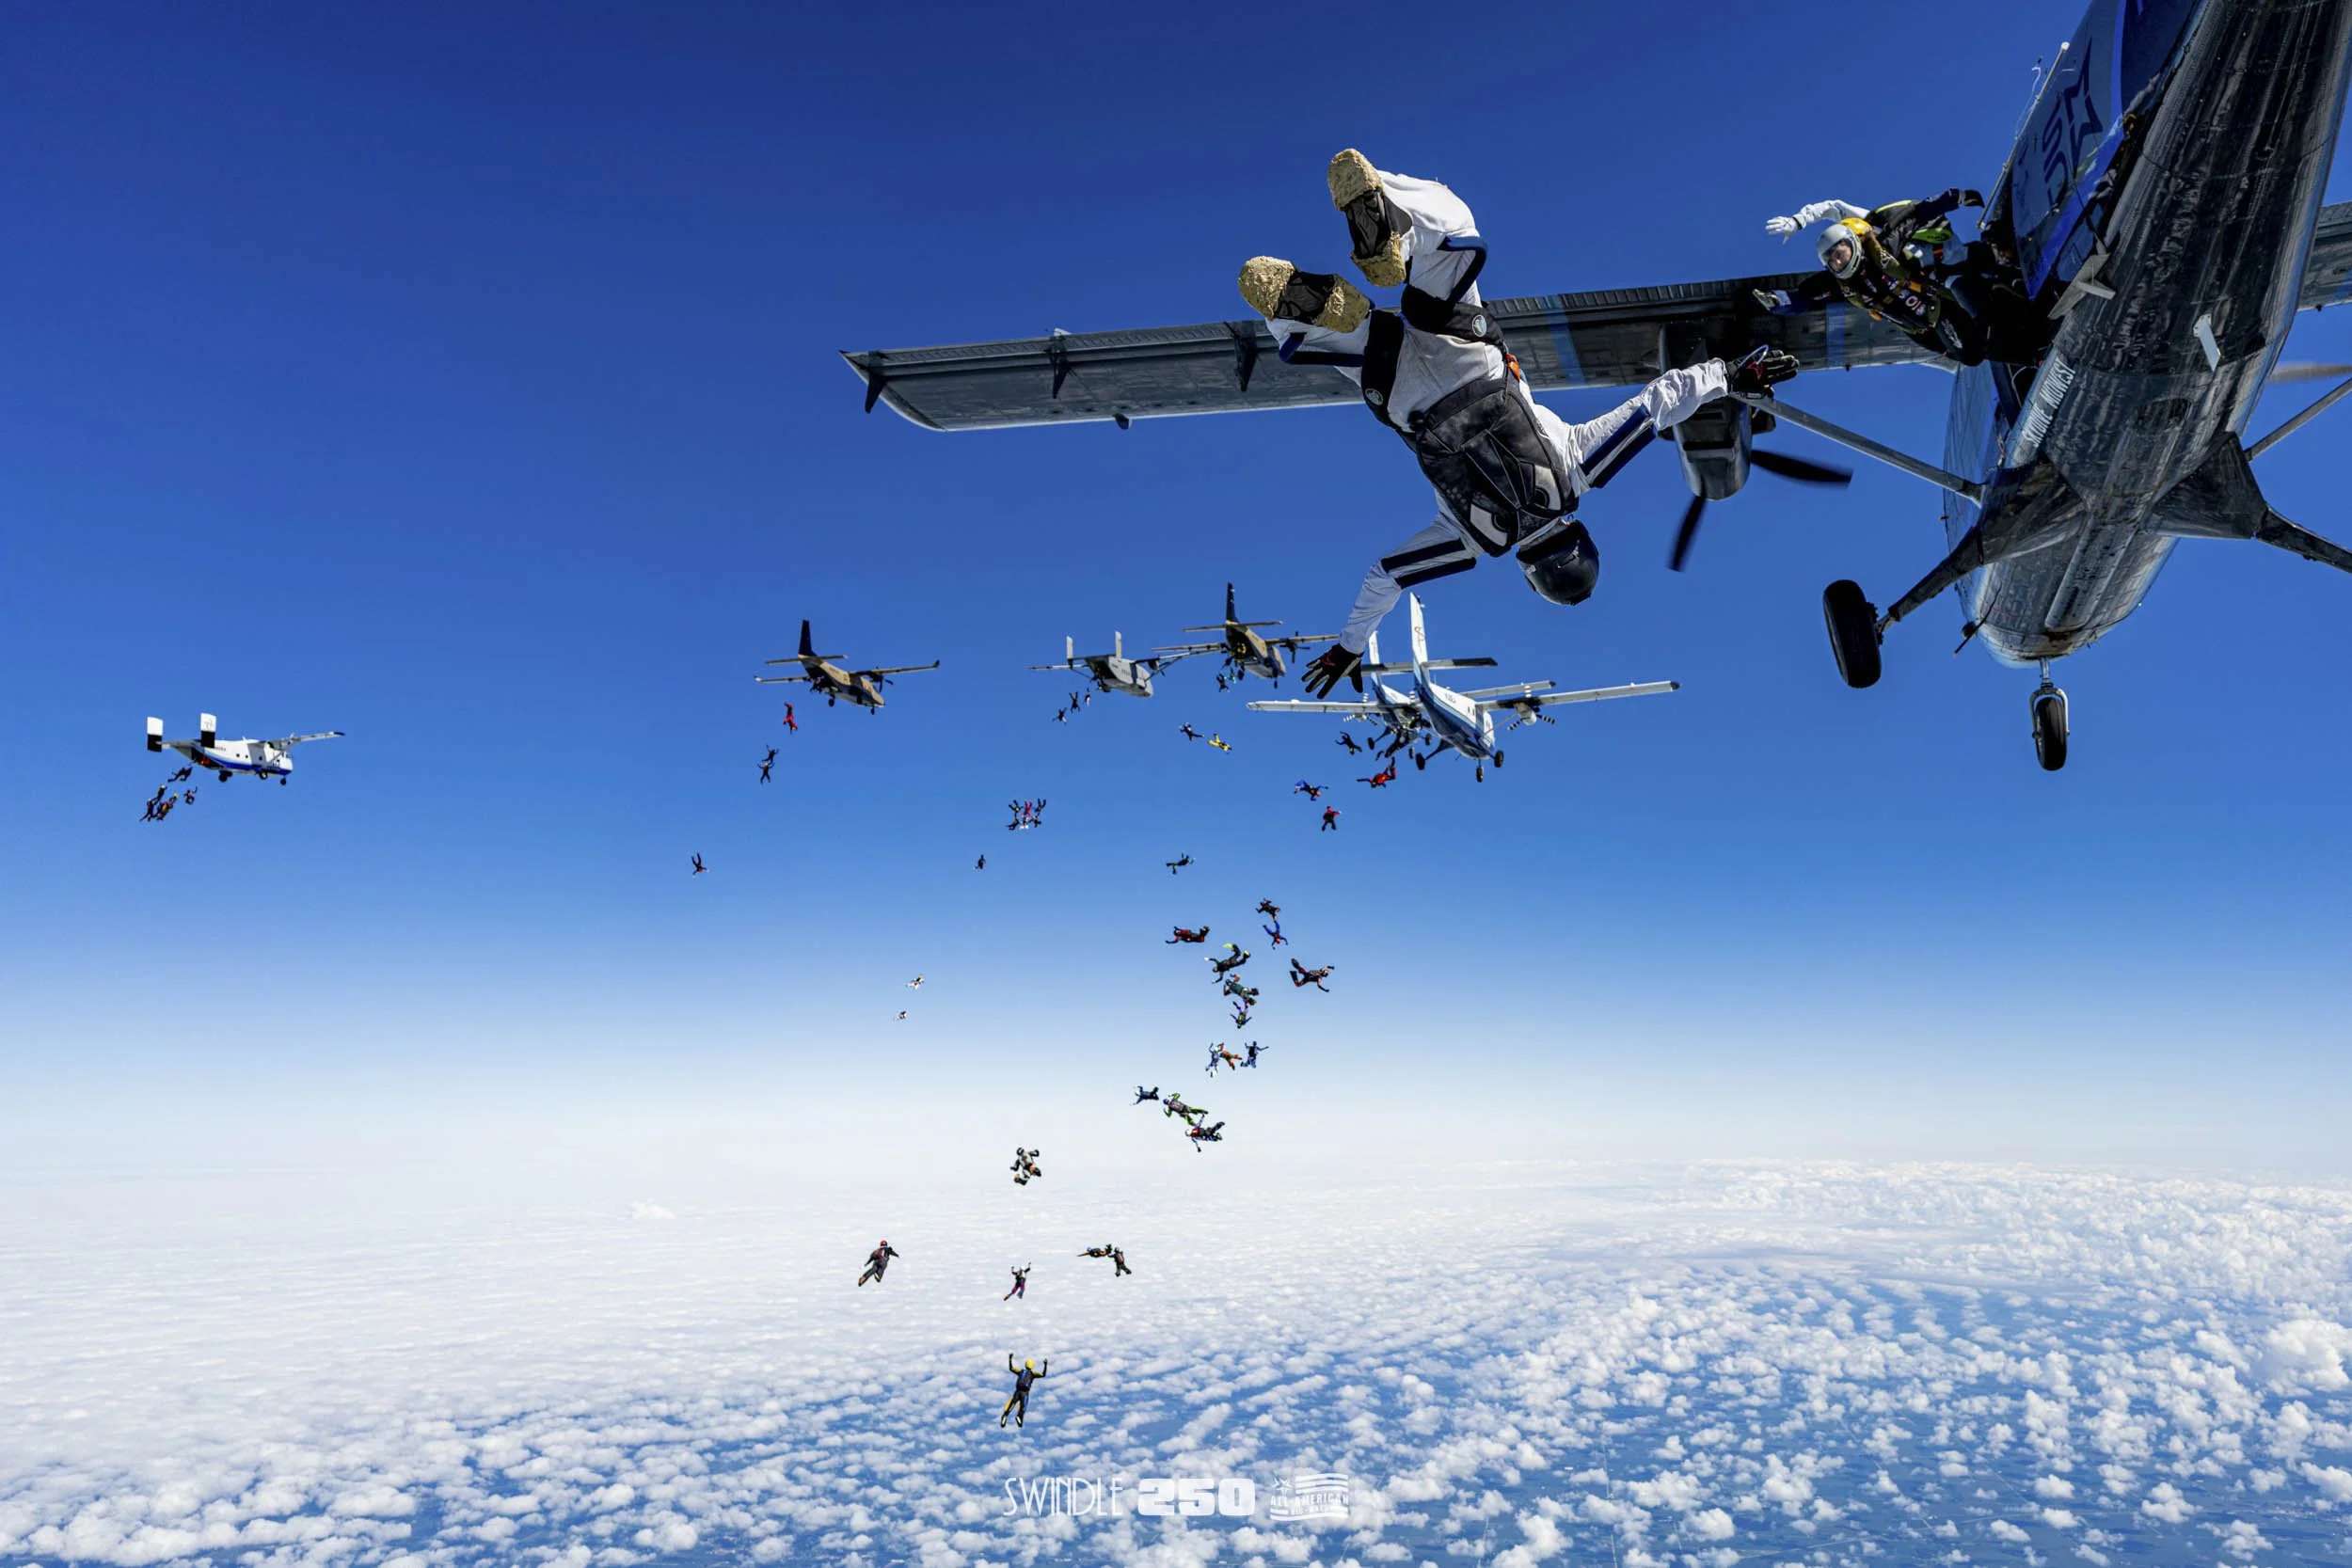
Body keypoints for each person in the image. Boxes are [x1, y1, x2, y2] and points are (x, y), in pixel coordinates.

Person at [1238, 151, 1795, 698]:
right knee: (1313, 341)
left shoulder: (1579, 471)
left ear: (1582, 536)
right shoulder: (1473, 542)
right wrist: (1349, 646)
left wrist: (1729, 374)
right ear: (1530, 573)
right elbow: (1385, 576)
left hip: (1470, 358)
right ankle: (1304, 310)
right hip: (1402, 393)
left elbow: (1658, 403)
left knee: (1454, 228)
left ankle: (1388, 222)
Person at [1754, 190, 2044, 368]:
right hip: (1920, 329)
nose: (1837, 262)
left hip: (1938, 302)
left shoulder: (1885, 242)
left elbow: (1916, 213)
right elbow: (1804, 297)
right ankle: (2031, 351)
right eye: (1831, 261)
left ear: (1852, 243)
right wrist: (1777, 301)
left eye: (1839, 254)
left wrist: (1954, 197)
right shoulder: (1843, 283)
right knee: (1970, 356)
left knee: (1981, 327)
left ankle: (2027, 333)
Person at [1002, 1355, 1048, 1428]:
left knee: (1015, 1405)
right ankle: (1014, 1416)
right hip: (1023, 1392)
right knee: (1020, 1406)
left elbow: (1011, 1368)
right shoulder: (1030, 1373)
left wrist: (1010, 1359)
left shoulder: (1024, 1372)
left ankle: (1010, 1416)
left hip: (1020, 1392)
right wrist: (1045, 1365)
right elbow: (1043, 1374)